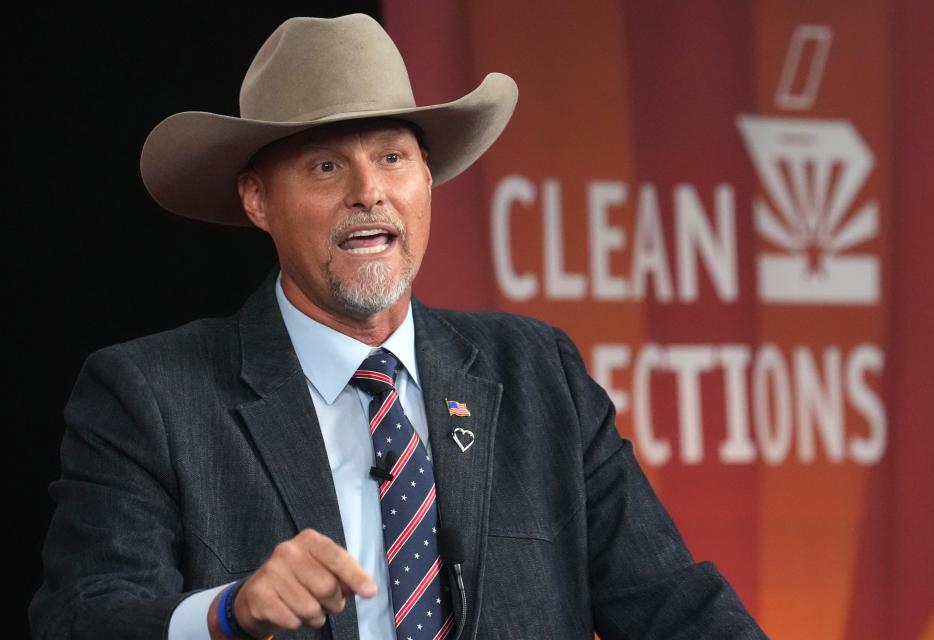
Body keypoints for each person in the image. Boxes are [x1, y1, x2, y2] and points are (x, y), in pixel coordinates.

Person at [31, 14, 765, 640]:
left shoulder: (539, 373)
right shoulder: (149, 395)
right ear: (257, 200)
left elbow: (674, 604)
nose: (368, 192)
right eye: (324, 166)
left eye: (391, 157)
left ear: (427, 179)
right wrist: (226, 614)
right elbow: (83, 616)